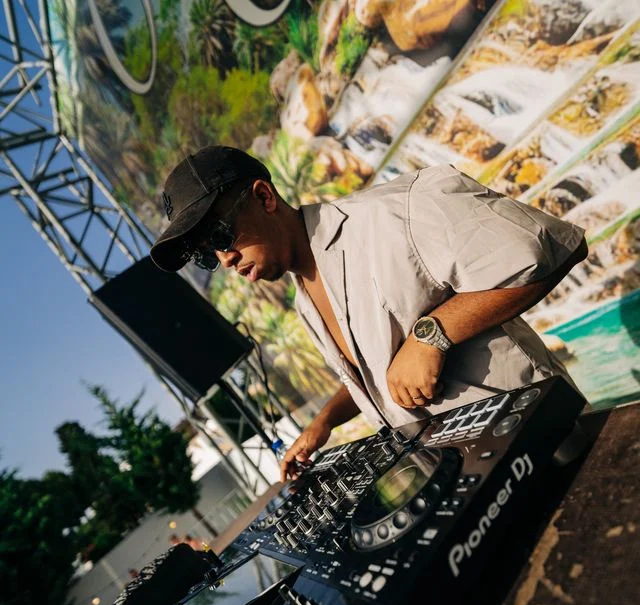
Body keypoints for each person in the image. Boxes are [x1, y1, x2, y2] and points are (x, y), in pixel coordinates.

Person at [150, 146, 587, 482]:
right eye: (205, 256)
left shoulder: (400, 210)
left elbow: (549, 247)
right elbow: (376, 374)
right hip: (464, 483)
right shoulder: (304, 300)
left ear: (263, 197)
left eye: (220, 236)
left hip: (545, 451)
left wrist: (432, 334)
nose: (223, 259)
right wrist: (322, 423)